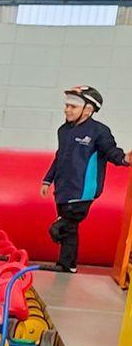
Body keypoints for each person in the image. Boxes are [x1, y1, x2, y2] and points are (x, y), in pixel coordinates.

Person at [41, 85, 124, 273]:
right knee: (70, 229)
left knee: (61, 226)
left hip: (83, 189)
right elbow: (59, 157)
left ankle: (66, 263)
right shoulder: (64, 130)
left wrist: (124, 159)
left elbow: (111, 152)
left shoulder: (99, 131)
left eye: (73, 106)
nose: (67, 110)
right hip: (64, 188)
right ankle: (67, 265)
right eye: (66, 106)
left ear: (88, 110)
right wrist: (48, 180)